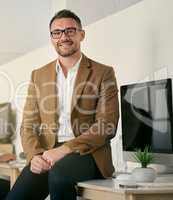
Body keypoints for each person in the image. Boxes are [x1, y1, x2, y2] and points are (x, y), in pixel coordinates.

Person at [6, 9, 119, 200]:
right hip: (47, 153)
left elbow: (107, 125)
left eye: (70, 31)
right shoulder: (38, 75)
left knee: (59, 174)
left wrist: (65, 150)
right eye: (57, 32)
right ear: (51, 38)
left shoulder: (103, 73)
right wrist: (34, 156)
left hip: (88, 153)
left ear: (81, 34)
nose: (63, 37)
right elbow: (28, 125)